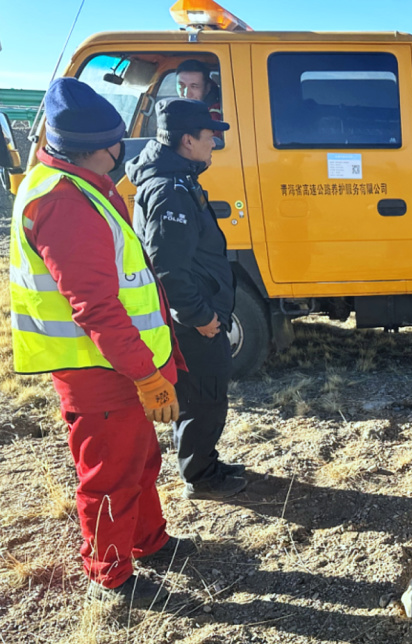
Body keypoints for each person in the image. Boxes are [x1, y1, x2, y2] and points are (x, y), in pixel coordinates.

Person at [8, 77, 193, 606]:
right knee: (110, 472)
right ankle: (111, 573)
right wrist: (146, 375)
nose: (124, 149)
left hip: (117, 364)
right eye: (118, 141)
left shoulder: (74, 183)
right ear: (102, 147)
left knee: (138, 460)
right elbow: (98, 308)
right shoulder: (64, 202)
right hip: (102, 370)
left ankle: (148, 540)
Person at [126, 98, 246, 500]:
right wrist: (201, 317)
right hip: (196, 320)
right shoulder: (169, 191)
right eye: (210, 135)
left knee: (205, 393)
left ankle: (203, 460)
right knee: (204, 395)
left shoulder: (179, 179)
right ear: (187, 140)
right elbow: (170, 269)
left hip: (201, 312)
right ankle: (201, 476)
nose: (215, 142)